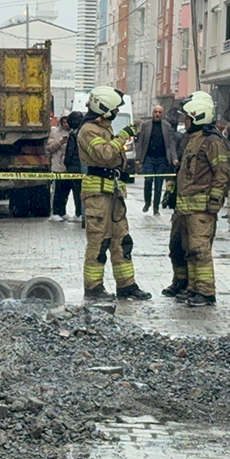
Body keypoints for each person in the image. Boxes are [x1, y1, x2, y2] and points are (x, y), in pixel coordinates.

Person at [78, 86, 152, 301]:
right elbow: (104, 154)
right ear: (104, 109)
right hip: (97, 196)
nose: (117, 113)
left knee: (122, 240)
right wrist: (123, 136)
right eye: (114, 109)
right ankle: (93, 288)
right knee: (99, 242)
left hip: (112, 193)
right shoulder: (88, 130)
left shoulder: (103, 127)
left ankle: (127, 286)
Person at [160, 93, 230, 306]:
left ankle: (205, 292)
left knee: (199, 251)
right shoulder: (191, 141)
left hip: (201, 209)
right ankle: (189, 286)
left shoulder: (212, 142)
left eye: (188, 119)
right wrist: (171, 193)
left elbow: (222, 173)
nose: (185, 122)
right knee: (180, 248)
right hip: (184, 208)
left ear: (198, 118)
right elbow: (181, 171)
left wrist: (214, 202)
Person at [135, 104, 180, 215]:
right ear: (152, 113)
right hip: (149, 158)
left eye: (160, 112)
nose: (157, 114)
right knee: (148, 180)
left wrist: (174, 158)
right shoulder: (146, 125)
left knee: (159, 184)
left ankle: (156, 207)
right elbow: (140, 142)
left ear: (162, 114)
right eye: (156, 112)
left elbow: (170, 143)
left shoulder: (167, 126)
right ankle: (147, 202)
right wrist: (138, 158)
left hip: (162, 159)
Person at [51, 112, 85, 222]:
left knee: (76, 191)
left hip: (72, 167)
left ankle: (78, 213)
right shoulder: (55, 132)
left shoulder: (74, 134)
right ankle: (61, 211)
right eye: (64, 121)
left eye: (68, 121)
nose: (66, 124)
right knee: (62, 190)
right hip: (62, 167)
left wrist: (67, 162)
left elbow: (70, 152)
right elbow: (49, 147)